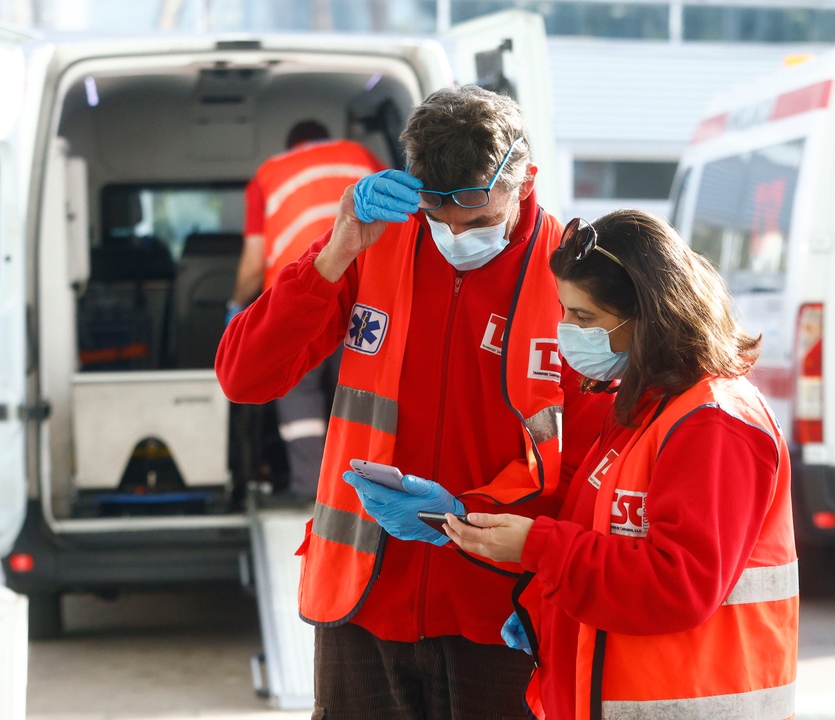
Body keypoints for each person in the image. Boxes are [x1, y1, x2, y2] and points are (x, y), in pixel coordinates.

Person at [216, 86, 609, 719]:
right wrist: (335, 248)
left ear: (525, 178)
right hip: (362, 605)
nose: (455, 236)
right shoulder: (375, 245)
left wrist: (464, 516)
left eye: (478, 221)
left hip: (501, 616)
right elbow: (243, 376)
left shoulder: (575, 277)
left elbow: (597, 466)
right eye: (438, 217)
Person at [441, 210, 800, 720]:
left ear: (651, 315)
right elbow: (600, 541)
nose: (566, 333)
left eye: (583, 318)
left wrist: (539, 547)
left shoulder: (713, 424)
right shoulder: (643, 408)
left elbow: (679, 585)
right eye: (563, 312)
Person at [229, 120, 386, 498]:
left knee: (301, 404)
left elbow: (253, 264)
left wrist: (236, 306)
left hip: (302, 304)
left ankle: (312, 495)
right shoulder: (360, 156)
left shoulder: (268, 175)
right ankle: (367, 495)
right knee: (360, 399)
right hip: (368, 301)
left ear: (291, 145)